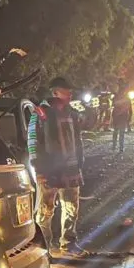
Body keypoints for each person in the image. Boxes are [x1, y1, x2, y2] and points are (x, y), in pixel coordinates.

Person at [28, 76, 85, 258]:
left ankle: (68, 243)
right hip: (49, 170)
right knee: (46, 210)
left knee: (72, 207)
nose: (70, 94)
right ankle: (44, 247)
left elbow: (78, 137)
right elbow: (33, 142)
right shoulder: (40, 113)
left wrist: (79, 162)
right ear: (55, 92)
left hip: (70, 168)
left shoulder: (72, 113)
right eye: (66, 91)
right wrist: (38, 169)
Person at [112, 81, 133, 152]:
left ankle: (115, 146)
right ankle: (120, 147)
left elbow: (113, 106)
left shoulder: (116, 98)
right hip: (122, 117)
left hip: (118, 117)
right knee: (120, 133)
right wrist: (129, 118)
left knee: (117, 132)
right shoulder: (127, 98)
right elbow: (130, 109)